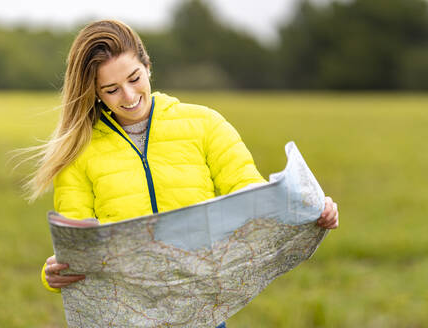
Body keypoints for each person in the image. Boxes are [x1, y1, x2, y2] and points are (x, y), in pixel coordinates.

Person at [27, 20, 339, 326]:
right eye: (111, 90)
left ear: (147, 65)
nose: (129, 96)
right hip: (128, 316)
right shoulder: (79, 151)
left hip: (202, 313)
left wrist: (312, 209)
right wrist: (52, 273)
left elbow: (250, 193)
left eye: (134, 78)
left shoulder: (206, 124)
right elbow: (75, 240)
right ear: (94, 92)